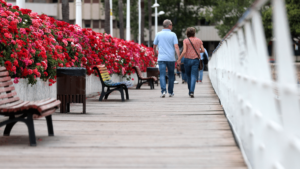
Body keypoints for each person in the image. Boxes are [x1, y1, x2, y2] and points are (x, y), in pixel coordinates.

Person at [153, 19, 180, 98]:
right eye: (171, 24)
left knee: (162, 74)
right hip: (171, 58)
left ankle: (163, 91)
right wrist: (179, 57)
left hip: (161, 58)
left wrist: (155, 53)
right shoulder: (173, 34)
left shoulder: (158, 34)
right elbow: (176, 46)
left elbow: (154, 46)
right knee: (171, 75)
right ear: (169, 25)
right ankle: (171, 92)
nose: (172, 26)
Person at [177, 27, 204, 98]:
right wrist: (198, 51)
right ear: (194, 33)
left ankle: (190, 90)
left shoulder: (186, 40)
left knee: (188, 76)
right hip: (195, 60)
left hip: (187, 60)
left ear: (187, 33)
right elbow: (203, 50)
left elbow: (184, 51)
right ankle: (192, 91)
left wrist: (179, 59)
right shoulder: (199, 40)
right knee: (193, 76)